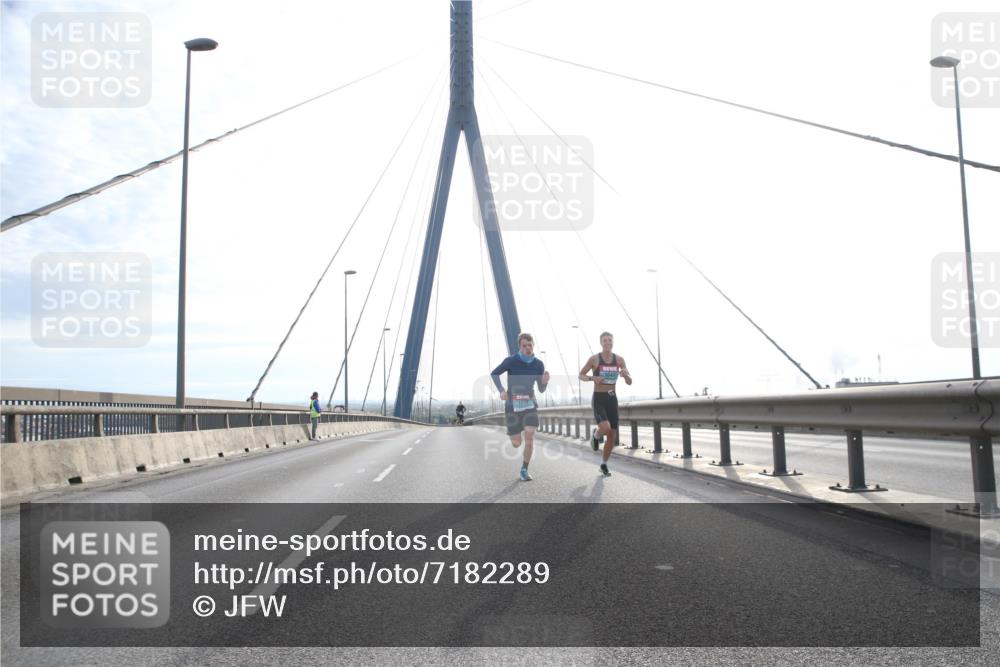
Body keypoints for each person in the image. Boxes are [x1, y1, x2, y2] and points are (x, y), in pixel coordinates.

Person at [491, 333, 550, 481]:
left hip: (530, 405)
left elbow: (541, 389)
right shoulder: (511, 361)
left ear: (533, 345)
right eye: (524, 345)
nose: (528, 348)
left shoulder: (538, 364)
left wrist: (544, 381)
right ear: (520, 346)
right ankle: (517, 434)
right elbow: (494, 373)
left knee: (530, 436)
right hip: (513, 406)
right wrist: (502, 391)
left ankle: (524, 469)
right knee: (517, 443)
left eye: (530, 345)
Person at [579, 332, 632, 476]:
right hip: (599, 398)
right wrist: (592, 378)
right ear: (601, 343)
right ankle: (595, 436)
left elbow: (629, 382)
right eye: (605, 341)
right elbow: (581, 375)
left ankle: (603, 464)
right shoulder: (594, 359)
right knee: (605, 427)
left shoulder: (619, 360)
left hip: (612, 399)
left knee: (612, 435)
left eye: (610, 340)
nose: (607, 343)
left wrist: (626, 375)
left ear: (613, 342)